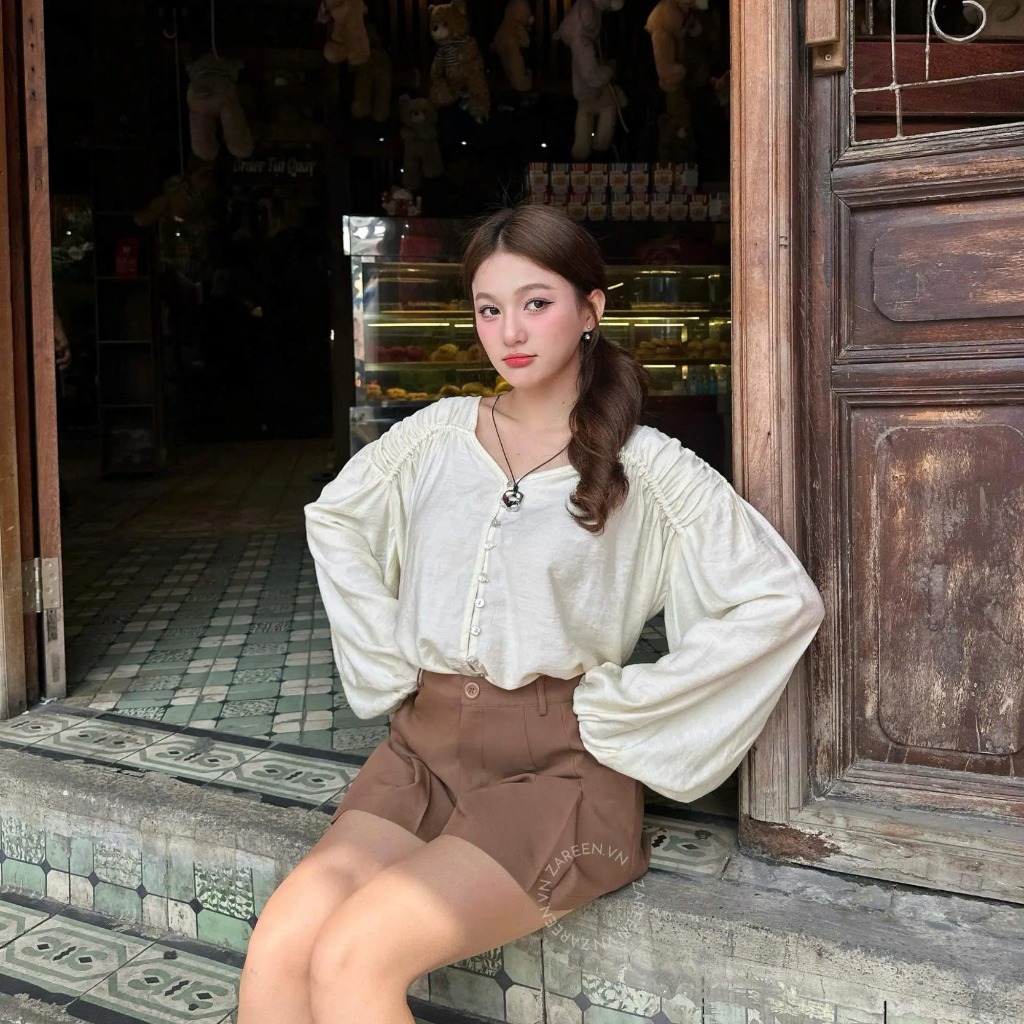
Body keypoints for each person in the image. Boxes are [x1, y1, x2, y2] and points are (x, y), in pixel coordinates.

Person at [236, 204, 825, 1024]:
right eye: (489, 308)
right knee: (280, 944)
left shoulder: (649, 469)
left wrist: (630, 706)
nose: (509, 331)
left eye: (536, 303)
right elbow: (335, 519)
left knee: (352, 958)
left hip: (556, 774)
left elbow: (779, 600)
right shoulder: (436, 437)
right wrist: (387, 657)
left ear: (591, 309)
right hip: (423, 752)